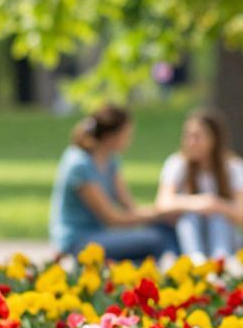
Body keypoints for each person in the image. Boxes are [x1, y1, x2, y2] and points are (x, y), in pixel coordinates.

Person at [49, 104, 178, 262]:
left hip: (102, 235)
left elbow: (129, 206)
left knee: (162, 229)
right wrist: (159, 215)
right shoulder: (79, 163)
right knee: (155, 240)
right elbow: (111, 218)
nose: (130, 140)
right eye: (127, 135)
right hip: (78, 240)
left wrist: (163, 215)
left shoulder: (111, 160)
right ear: (111, 136)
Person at [156, 109, 243, 265]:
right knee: (189, 217)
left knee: (218, 218)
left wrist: (215, 205)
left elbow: (242, 215)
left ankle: (220, 262)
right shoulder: (177, 163)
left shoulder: (235, 167)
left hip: (225, 234)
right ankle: (196, 261)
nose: (190, 142)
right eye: (187, 136)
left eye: (197, 137)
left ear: (214, 139)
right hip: (187, 234)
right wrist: (199, 203)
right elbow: (162, 204)